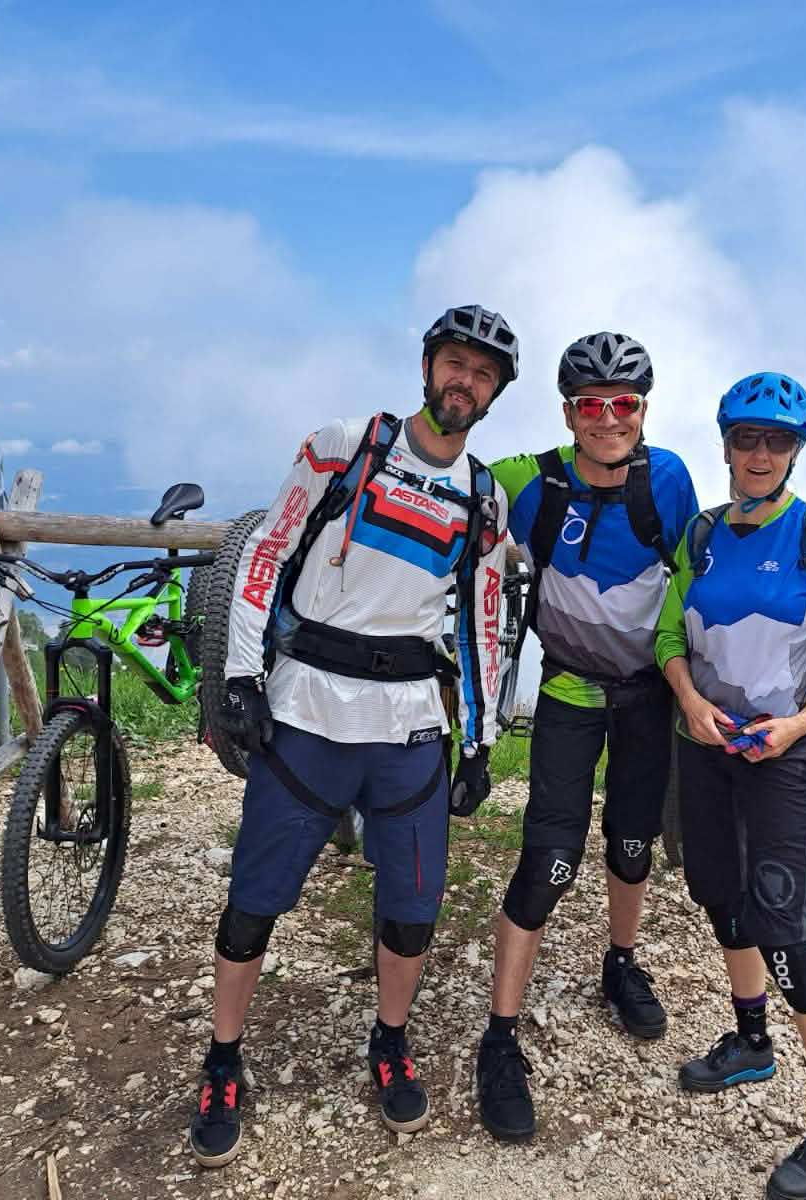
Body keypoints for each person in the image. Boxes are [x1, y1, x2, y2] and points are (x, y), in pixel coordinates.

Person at [190, 305, 516, 1168]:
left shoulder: (485, 498)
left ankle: (391, 1039)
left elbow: (483, 623)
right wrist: (240, 675)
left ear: (494, 394)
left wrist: (480, 741)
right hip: (308, 712)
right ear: (428, 366)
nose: (465, 382)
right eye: (455, 363)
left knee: (411, 912)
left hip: (409, 725)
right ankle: (223, 1057)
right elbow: (266, 552)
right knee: (254, 902)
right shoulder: (345, 446)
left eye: (483, 374)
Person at [655, 372, 806, 1199]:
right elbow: (669, 634)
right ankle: (752, 1042)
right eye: (745, 437)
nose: (759, 453)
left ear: (795, 451)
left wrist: (795, 725)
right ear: (726, 444)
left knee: (784, 930)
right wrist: (688, 699)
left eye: (776, 440)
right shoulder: (702, 535)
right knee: (720, 896)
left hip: (786, 757)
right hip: (706, 749)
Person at [474, 332, 699, 1143]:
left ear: (644, 409)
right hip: (568, 691)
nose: (609, 419)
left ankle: (620, 962)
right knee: (549, 860)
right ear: (568, 413)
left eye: (624, 403)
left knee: (633, 845)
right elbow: (446, 487)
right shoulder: (528, 481)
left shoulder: (667, 479)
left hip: (646, 698)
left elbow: (693, 580)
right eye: (591, 405)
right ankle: (500, 1037)